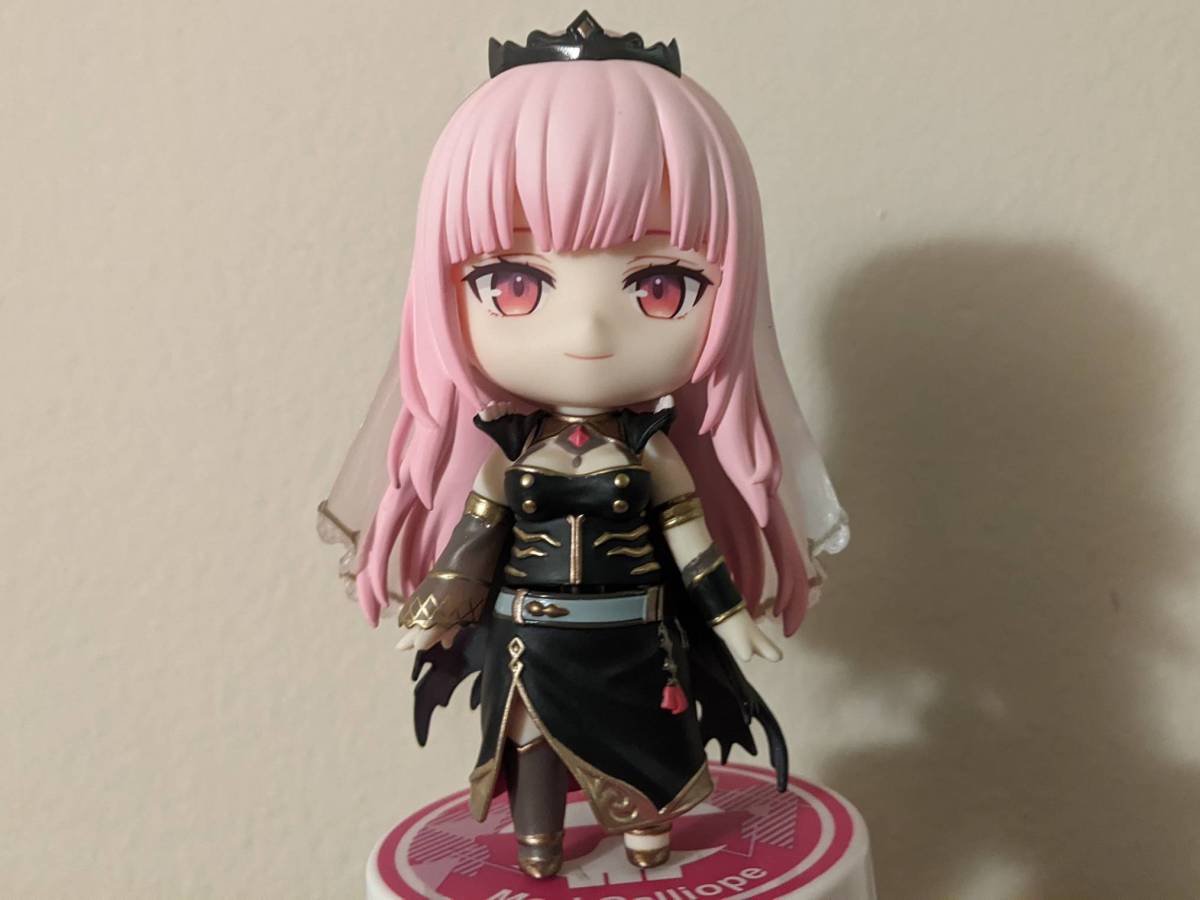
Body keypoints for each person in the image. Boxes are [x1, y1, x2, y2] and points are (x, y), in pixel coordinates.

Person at [318, 11, 849, 880]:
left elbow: (690, 539)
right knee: (528, 740)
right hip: (530, 637)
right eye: (514, 284)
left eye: (661, 285)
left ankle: (648, 836)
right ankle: (538, 844)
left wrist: (727, 617)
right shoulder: (509, 454)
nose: (588, 331)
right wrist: (434, 613)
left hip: (635, 636)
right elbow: (474, 540)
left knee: (648, 743)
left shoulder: (651, 452)